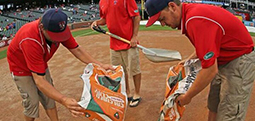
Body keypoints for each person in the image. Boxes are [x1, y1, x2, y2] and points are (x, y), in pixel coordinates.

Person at [145, 0, 255, 121]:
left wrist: (188, 96)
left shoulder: (195, 20)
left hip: (239, 60)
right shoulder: (190, 16)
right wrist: (188, 60)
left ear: (172, 7)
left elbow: (210, 70)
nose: (162, 24)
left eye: (162, 18)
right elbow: (206, 46)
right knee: (214, 105)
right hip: (223, 58)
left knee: (230, 113)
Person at [7, 8, 113, 121]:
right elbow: (40, 81)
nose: (59, 38)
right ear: (42, 28)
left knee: (49, 97)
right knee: (31, 102)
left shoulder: (59, 28)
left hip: (39, 62)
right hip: (21, 68)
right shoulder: (30, 38)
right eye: (55, 35)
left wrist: (99, 65)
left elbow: (77, 50)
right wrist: (63, 100)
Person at [91, 0, 142, 107]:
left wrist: (134, 36)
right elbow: (105, 19)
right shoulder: (102, 2)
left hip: (129, 42)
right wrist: (97, 22)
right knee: (120, 71)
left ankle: (137, 93)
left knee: (134, 69)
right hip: (114, 44)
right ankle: (127, 93)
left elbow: (136, 16)